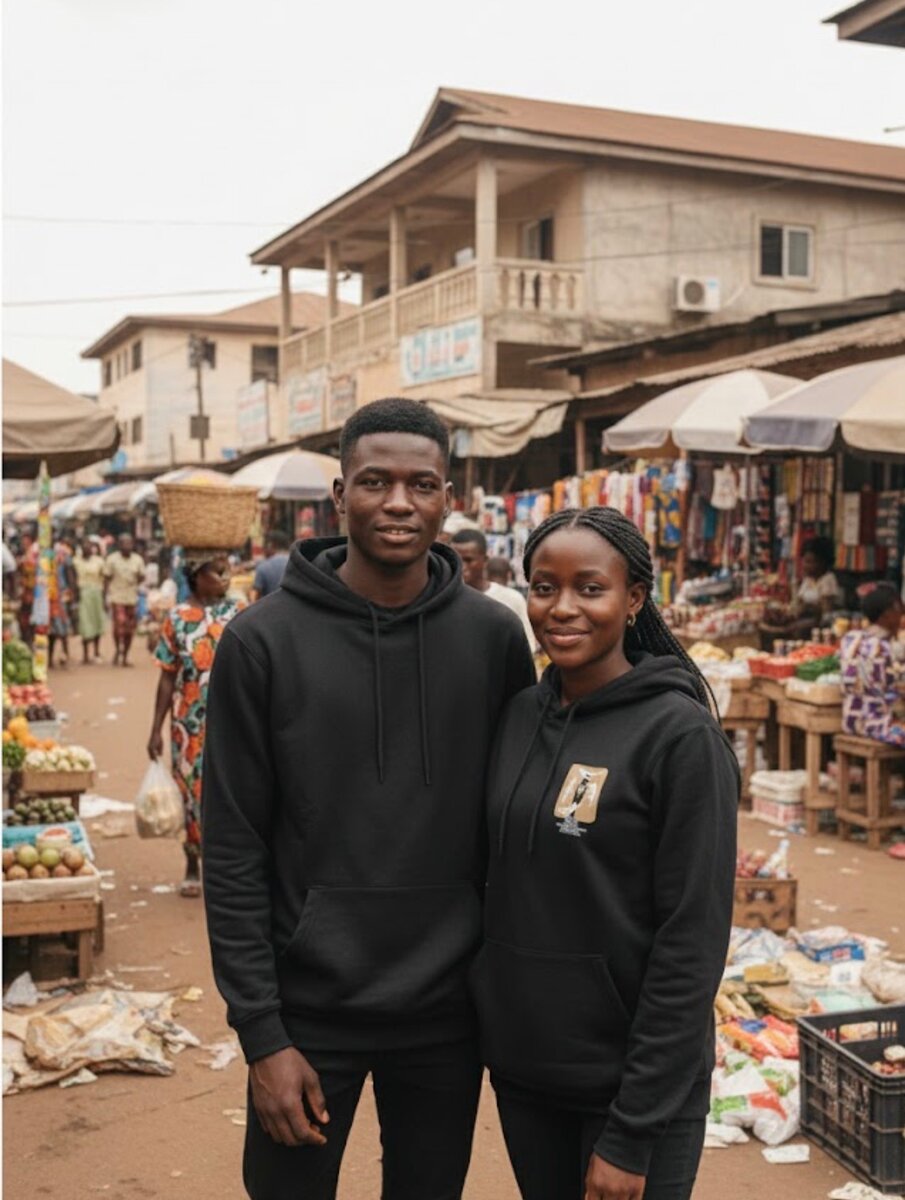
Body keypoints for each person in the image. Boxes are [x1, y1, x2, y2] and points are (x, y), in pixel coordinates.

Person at [202, 397, 536, 1200]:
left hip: (447, 1014)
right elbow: (234, 846)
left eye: (420, 484)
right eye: (374, 482)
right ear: (339, 493)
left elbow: (513, 822)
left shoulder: (492, 637)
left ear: (446, 498)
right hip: (307, 1014)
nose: (397, 502)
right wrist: (261, 1036)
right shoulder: (261, 641)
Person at [472, 506, 738, 1200]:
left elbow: (691, 943)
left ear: (633, 598)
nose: (562, 609)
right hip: (529, 1078)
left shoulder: (679, 739)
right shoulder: (519, 717)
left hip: (633, 1095)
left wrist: (631, 1129)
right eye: (542, 586)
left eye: (589, 588)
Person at [147, 551, 244, 897]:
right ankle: (192, 863)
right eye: (217, 572)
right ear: (196, 576)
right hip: (188, 724)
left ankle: (228, 866)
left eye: (226, 571)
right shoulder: (176, 619)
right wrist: (155, 729)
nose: (225, 578)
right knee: (191, 794)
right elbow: (166, 677)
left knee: (234, 793)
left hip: (234, 718)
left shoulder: (238, 611)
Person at [840, 582, 905, 748]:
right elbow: (891, 692)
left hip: (851, 720)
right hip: (877, 724)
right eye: (898, 610)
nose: (901, 615)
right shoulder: (882, 648)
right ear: (886, 615)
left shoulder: (851, 639)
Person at [451, 528, 536, 651]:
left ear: (485, 560)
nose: (462, 566)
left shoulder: (512, 599)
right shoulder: (444, 599)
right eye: (457, 560)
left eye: (468, 560)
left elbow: (527, 647)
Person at [103, 532, 146, 666]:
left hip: (132, 598)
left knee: (129, 630)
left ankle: (125, 655)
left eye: (129, 543)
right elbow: (106, 578)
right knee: (118, 627)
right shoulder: (112, 560)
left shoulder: (138, 560)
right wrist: (105, 596)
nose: (127, 546)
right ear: (119, 545)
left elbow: (142, 577)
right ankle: (117, 649)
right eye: (124, 543)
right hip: (117, 597)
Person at [74, 539, 106, 664]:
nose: (87, 549)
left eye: (90, 547)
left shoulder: (99, 561)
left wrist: (104, 596)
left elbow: (104, 578)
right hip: (83, 593)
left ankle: (96, 652)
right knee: (85, 623)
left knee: (97, 621)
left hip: (96, 593)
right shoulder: (76, 561)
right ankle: (85, 654)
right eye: (85, 546)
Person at [48, 540, 77, 668]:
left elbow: (70, 576)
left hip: (61, 596)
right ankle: (50, 657)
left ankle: (65, 654)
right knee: (51, 630)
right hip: (48, 597)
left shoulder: (63, 555)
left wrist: (72, 596)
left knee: (62, 628)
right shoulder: (42, 555)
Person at [250, 529, 291, 601]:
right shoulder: (299, 564)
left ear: (271, 545)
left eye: (264, 546)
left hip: (270, 610)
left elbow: (253, 598)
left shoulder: (263, 567)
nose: (263, 550)